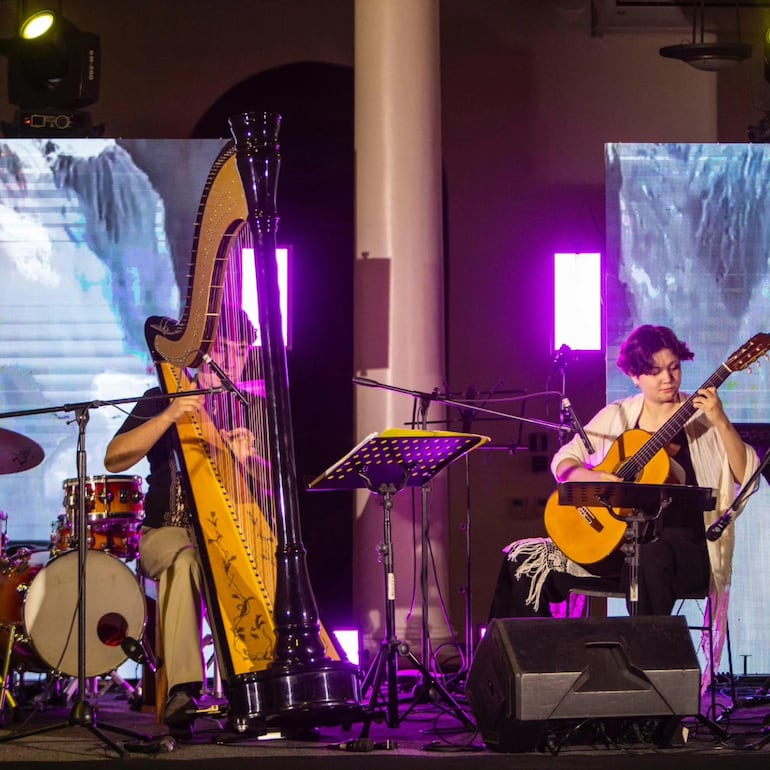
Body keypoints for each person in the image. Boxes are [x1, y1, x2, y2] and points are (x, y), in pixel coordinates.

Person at [488, 325, 759, 676]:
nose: (668, 378)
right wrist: (596, 477)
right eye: (654, 370)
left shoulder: (702, 419)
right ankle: (524, 675)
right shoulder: (618, 415)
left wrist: (720, 420)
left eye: (674, 367)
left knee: (649, 554)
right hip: (617, 549)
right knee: (521, 559)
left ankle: (648, 676)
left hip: (685, 552)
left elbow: (745, 473)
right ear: (634, 376)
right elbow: (564, 463)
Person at [104, 305, 259, 739]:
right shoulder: (162, 397)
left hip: (227, 539)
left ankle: (251, 688)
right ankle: (184, 691)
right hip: (163, 535)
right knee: (187, 560)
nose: (228, 362)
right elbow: (114, 459)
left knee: (238, 566)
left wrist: (247, 461)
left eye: (238, 352)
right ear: (198, 355)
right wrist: (171, 415)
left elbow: (268, 493)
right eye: (220, 351)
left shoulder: (248, 409)